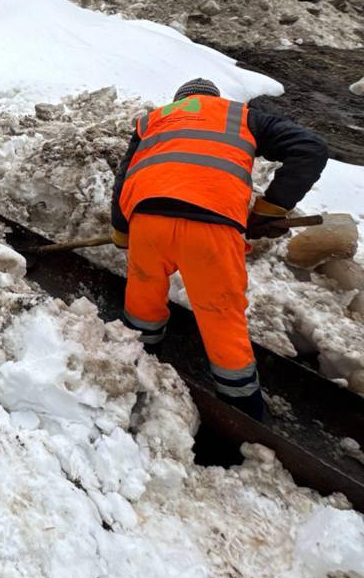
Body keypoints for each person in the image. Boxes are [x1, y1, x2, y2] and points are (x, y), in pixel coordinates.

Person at [111, 78, 327, 420]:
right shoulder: (242, 116)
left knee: (142, 304)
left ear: (180, 100)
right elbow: (310, 149)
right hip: (211, 229)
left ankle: (137, 366)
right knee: (221, 320)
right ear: (213, 99)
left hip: (148, 221)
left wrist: (122, 231)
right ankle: (242, 414)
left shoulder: (153, 119)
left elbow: (124, 177)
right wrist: (271, 208)